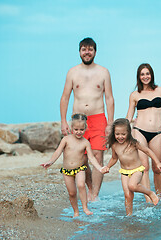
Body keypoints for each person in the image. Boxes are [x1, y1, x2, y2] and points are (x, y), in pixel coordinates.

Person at [60, 37, 114, 201]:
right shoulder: (72, 72)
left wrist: (110, 124)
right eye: (84, 49)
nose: (87, 52)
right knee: (82, 158)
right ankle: (90, 188)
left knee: (98, 155)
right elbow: (64, 98)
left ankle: (94, 195)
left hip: (98, 118)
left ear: (95, 52)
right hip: (78, 120)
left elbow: (109, 99)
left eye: (90, 49)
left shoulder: (103, 72)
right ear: (80, 52)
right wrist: (63, 121)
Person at [40, 113, 108, 217]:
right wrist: (50, 162)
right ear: (71, 128)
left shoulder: (85, 142)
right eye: (76, 129)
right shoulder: (66, 139)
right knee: (72, 193)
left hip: (80, 168)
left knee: (81, 185)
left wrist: (100, 168)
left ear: (85, 128)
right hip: (67, 171)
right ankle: (76, 211)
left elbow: (91, 158)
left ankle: (85, 208)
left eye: (81, 129)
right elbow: (58, 152)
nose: (79, 132)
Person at [126, 63, 161, 202]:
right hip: (139, 132)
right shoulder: (134, 95)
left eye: (147, 73)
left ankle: (159, 196)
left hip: (157, 133)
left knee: (157, 168)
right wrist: (123, 135)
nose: (145, 76)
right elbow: (129, 116)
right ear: (139, 77)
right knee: (144, 167)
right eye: (142, 74)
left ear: (152, 74)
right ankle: (148, 199)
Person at [103, 118, 161, 216]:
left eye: (123, 134)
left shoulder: (133, 143)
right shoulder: (115, 145)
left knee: (132, 186)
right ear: (114, 133)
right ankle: (129, 216)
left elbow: (148, 151)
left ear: (129, 132)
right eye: (117, 134)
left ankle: (150, 193)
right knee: (128, 195)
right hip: (124, 172)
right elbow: (114, 158)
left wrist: (157, 162)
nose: (120, 136)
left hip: (137, 170)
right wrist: (108, 166)